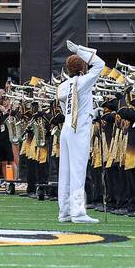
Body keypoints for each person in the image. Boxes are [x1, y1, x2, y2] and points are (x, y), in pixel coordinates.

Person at [56, 39, 106, 223]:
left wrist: (91, 112)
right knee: (77, 170)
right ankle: (77, 213)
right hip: (79, 130)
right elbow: (100, 64)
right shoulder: (84, 81)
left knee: (66, 171)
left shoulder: (63, 85)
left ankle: (65, 211)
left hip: (67, 128)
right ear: (83, 68)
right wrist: (79, 49)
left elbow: (67, 108)